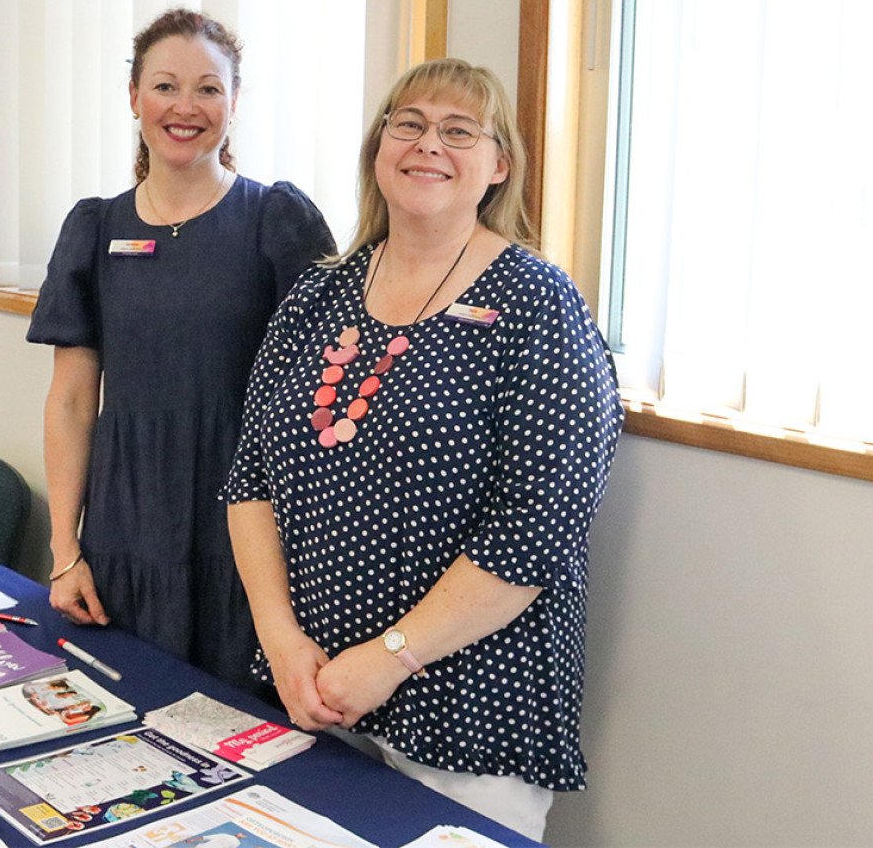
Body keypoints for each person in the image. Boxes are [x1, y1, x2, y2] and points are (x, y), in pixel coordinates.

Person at [220, 58, 623, 841]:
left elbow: (538, 529)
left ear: (498, 165)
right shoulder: (317, 296)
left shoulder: (540, 306)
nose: (428, 143)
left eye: (459, 130)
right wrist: (281, 638)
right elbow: (250, 480)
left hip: (468, 714)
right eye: (408, 123)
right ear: (378, 147)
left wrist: (388, 658)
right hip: (316, 691)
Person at [27, 7, 335, 687]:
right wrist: (64, 549)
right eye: (165, 86)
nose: (185, 106)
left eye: (208, 88)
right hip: (125, 531)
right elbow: (73, 401)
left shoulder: (276, 222)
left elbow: (324, 400)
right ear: (134, 97)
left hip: (246, 539)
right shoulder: (95, 228)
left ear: (234, 102)